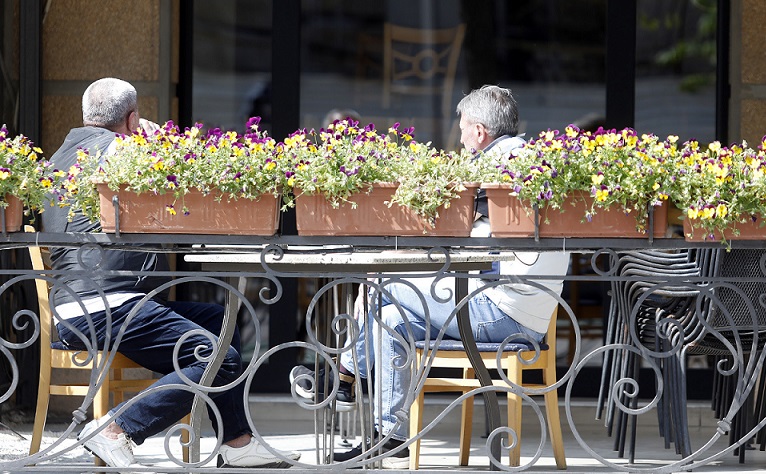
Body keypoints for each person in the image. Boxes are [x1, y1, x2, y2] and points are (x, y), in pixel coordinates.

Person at [289, 85, 569, 468]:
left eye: (462, 126)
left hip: (501, 314)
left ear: (480, 132)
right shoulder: (527, 161)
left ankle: (343, 378)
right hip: (516, 309)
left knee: (379, 281)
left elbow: (455, 227)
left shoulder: (498, 166)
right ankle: (389, 437)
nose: (459, 135)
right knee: (389, 318)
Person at [42, 77, 300, 469]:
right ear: (132, 119)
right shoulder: (125, 152)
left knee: (221, 322)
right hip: (109, 306)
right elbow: (175, 199)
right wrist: (156, 145)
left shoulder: (57, 159)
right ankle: (116, 430)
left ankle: (237, 441)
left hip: (77, 307)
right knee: (219, 358)